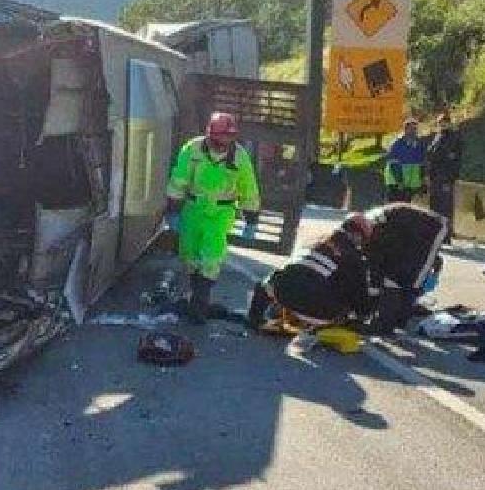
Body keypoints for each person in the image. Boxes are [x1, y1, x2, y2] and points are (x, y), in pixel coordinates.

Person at [166, 111, 260, 324]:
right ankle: (196, 299)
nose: (224, 142)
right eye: (221, 137)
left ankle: (199, 306)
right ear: (210, 135)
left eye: (229, 137)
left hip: (220, 213)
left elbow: (248, 188)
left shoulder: (239, 156)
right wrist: (173, 209)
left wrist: (251, 218)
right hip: (193, 209)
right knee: (189, 254)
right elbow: (179, 180)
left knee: (210, 257)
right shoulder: (192, 149)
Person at [248, 213, 376, 330]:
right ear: (358, 235)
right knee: (344, 295)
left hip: (282, 292)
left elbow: (290, 270)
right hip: (319, 311)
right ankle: (312, 322)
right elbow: (359, 295)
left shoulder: (314, 241)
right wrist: (364, 314)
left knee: (268, 282)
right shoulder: (354, 258)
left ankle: (255, 318)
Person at [362, 203, 448, 333]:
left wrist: (374, 295)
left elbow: (376, 266)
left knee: (414, 278)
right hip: (408, 229)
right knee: (396, 273)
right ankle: (398, 314)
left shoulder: (373, 234)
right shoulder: (371, 226)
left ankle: (401, 316)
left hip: (433, 227)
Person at [425, 112, 463, 242]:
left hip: (445, 178)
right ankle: (435, 234)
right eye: (440, 122)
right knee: (434, 207)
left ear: (449, 123)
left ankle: (446, 235)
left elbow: (454, 159)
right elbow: (431, 156)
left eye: (444, 122)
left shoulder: (453, 138)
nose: (442, 124)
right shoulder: (437, 137)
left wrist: (451, 179)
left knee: (445, 208)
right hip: (435, 178)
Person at [384, 117, 426, 204]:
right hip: (395, 184)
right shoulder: (397, 144)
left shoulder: (418, 144)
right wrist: (400, 182)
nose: (414, 131)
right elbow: (393, 164)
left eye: (415, 129)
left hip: (409, 185)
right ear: (405, 129)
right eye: (411, 129)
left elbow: (421, 164)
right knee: (394, 209)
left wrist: (422, 181)